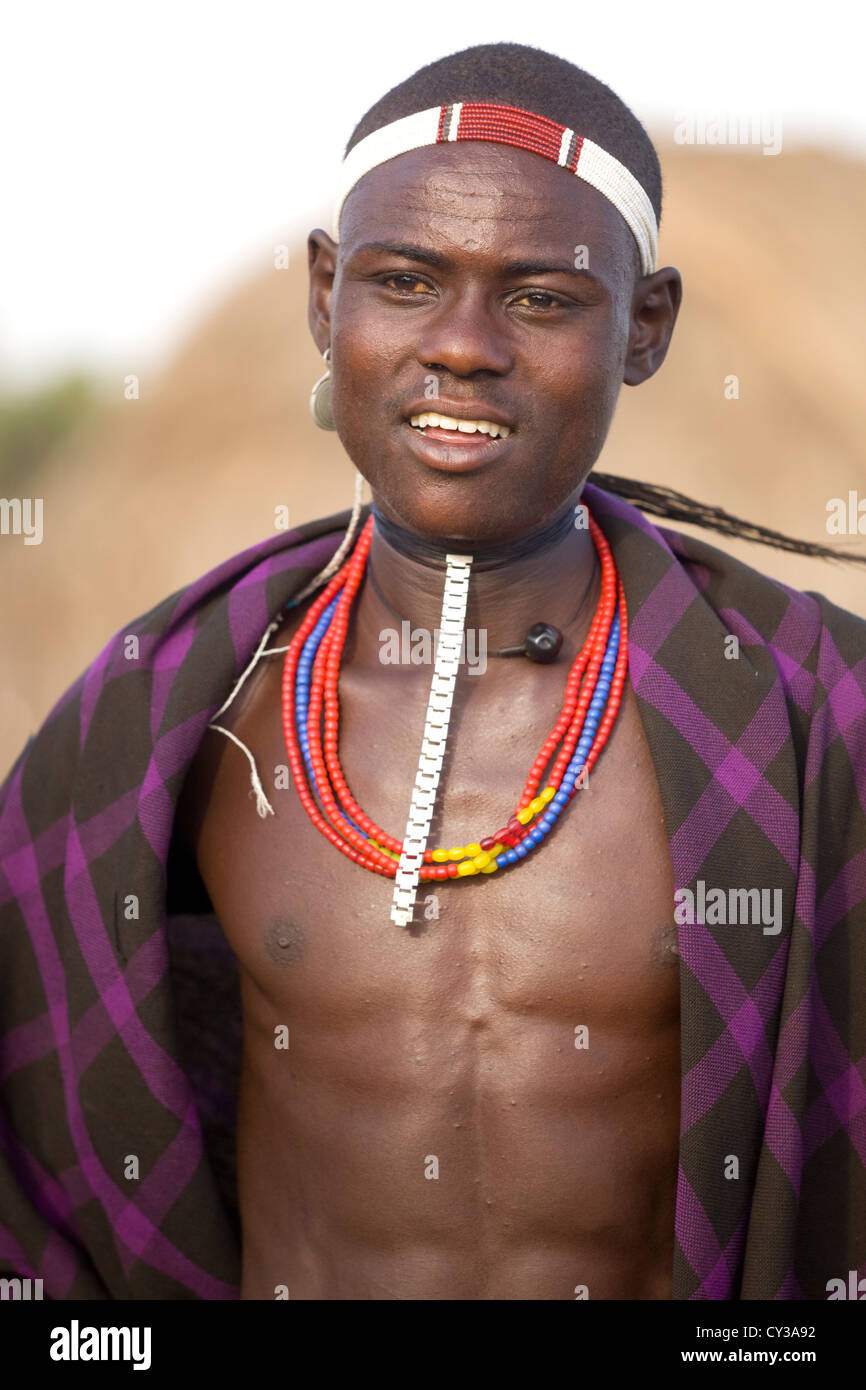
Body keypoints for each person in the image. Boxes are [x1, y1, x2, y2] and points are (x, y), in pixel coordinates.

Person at [1, 43, 864, 1302]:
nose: (461, 347)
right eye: (404, 282)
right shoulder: (168, 714)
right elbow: (38, 1160)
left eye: (539, 298)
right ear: (322, 298)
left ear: (645, 327)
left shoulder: (808, 715)